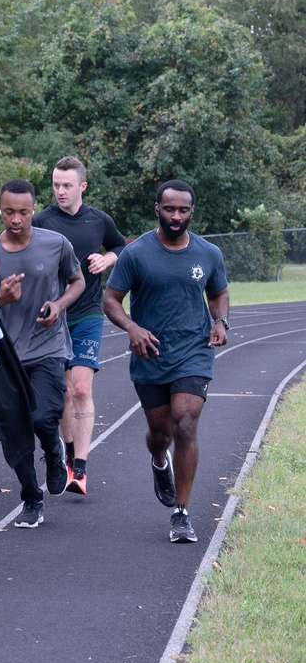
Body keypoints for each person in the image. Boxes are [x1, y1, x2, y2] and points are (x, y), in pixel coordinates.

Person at [104, 179, 229, 544]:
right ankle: (160, 460)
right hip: (151, 352)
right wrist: (132, 327)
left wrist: (220, 321)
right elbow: (111, 300)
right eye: (169, 209)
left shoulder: (208, 253)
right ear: (157, 208)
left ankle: (182, 513)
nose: (176, 216)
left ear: (192, 211)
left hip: (194, 349)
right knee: (161, 434)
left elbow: (218, 292)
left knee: (185, 424)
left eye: (183, 210)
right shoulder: (136, 253)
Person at [0, 180, 84, 528]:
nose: (16, 219)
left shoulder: (55, 244)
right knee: (13, 434)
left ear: (34, 210)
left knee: (43, 417)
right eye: (9, 212)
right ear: (0, 209)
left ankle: (55, 453)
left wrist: (59, 306)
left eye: (24, 212)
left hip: (47, 347)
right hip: (3, 354)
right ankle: (32, 496)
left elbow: (78, 282)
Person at [32, 157, 126, 495]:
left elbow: (118, 244)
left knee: (82, 388)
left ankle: (81, 468)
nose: (60, 191)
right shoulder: (41, 220)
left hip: (87, 314)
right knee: (63, 393)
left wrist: (107, 259)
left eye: (67, 185)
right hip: (53, 317)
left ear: (82, 186)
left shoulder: (98, 220)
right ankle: (69, 453)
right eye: (56, 184)